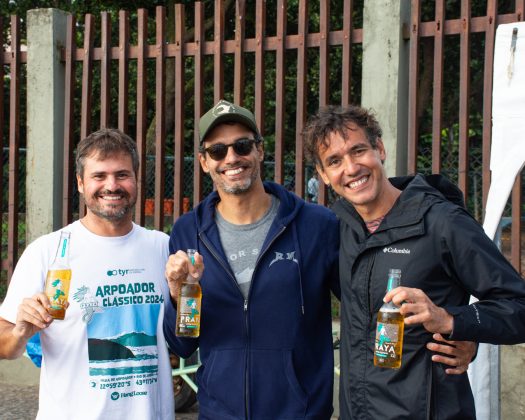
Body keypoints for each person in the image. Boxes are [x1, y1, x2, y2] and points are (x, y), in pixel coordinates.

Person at [163, 100, 476, 419]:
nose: (232, 158)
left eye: (242, 145)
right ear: (203, 161)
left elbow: (370, 306)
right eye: (218, 151)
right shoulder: (189, 231)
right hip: (219, 413)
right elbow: (184, 345)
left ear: (259, 150)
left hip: (302, 412)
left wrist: (458, 330)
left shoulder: (317, 225)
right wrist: (177, 295)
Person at [303, 104, 525, 419]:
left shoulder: (443, 223)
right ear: (323, 175)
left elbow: (517, 304)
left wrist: (452, 321)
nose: (351, 168)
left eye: (359, 151)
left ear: (379, 149)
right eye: (335, 161)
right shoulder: (335, 226)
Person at [0, 129, 174, 419]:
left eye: (122, 175)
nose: (111, 185)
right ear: (81, 183)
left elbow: (187, 329)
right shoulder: (48, 252)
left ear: (136, 180)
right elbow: (4, 343)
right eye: (99, 176)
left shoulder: (162, 248)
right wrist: (20, 332)